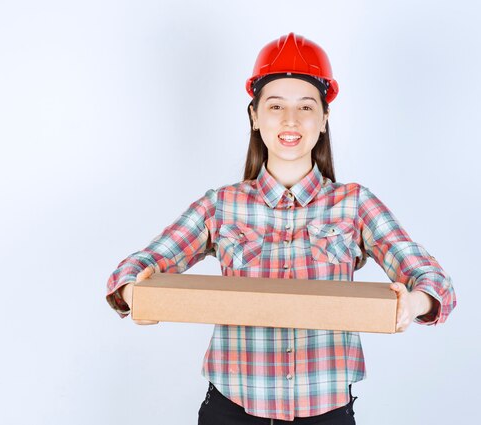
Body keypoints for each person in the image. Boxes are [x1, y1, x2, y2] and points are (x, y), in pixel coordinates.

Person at [106, 32, 456, 424]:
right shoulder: (221, 205)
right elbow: (136, 267)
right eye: (275, 106)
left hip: (325, 412)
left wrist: (412, 303)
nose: (290, 120)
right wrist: (136, 293)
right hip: (232, 411)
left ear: (324, 119)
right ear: (255, 117)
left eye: (306, 107)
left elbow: (434, 281)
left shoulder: (355, 205)